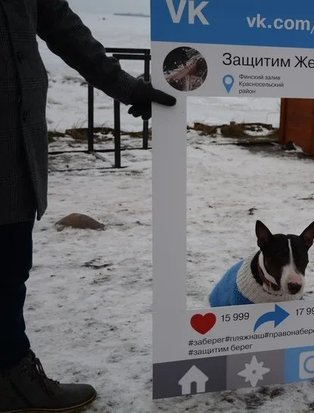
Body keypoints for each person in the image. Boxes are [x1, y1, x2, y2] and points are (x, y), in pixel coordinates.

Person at [0, 1, 176, 411]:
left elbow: (64, 28)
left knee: (9, 262)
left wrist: (128, 88)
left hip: (14, 142)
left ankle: (10, 372)